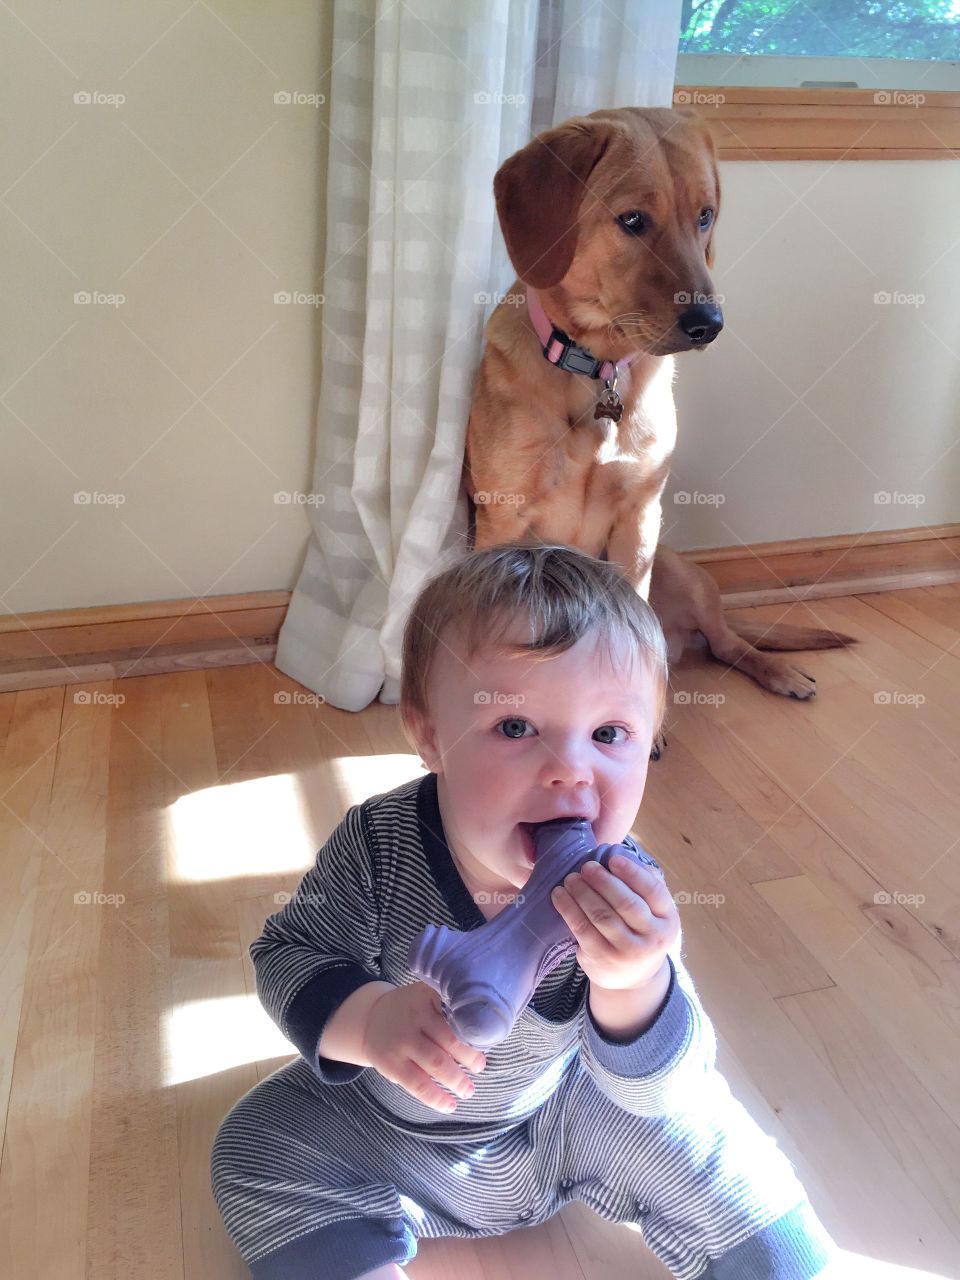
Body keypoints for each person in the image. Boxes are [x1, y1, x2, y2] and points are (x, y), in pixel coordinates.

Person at [210, 543, 840, 1280]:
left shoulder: (625, 885)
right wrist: (371, 1021)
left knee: (717, 1144)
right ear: (427, 735)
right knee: (253, 1145)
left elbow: (664, 1089)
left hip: (573, 1119)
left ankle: (784, 1263)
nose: (572, 768)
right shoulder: (380, 842)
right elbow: (290, 953)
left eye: (610, 735)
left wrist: (632, 983)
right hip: (389, 1130)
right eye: (515, 727)